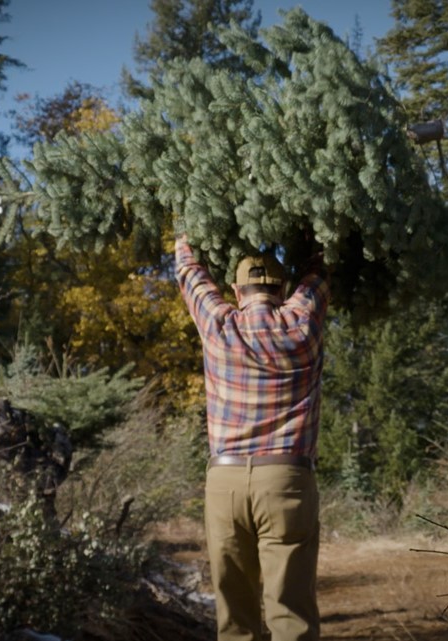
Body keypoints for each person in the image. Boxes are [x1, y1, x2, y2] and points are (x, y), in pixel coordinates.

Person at [174, 235, 330, 641]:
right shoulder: (303, 322)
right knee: (291, 616)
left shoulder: (219, 324)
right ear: (282, 290)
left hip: (224, 484)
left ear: (236, 291)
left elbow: (189, 271)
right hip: (287, 481)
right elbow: (320, 266)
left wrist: (185, 229)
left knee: (235, 621)